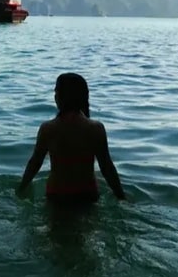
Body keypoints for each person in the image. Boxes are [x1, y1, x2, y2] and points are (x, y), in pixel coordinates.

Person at [16, 72, 125, 204]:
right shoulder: (96, 128)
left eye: (56, 92)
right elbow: (107, 167)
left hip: (57, 194)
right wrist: (121, 196)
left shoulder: (48, 129)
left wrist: (21, 188)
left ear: (59, 97)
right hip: (87, 194)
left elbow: (35, 163)